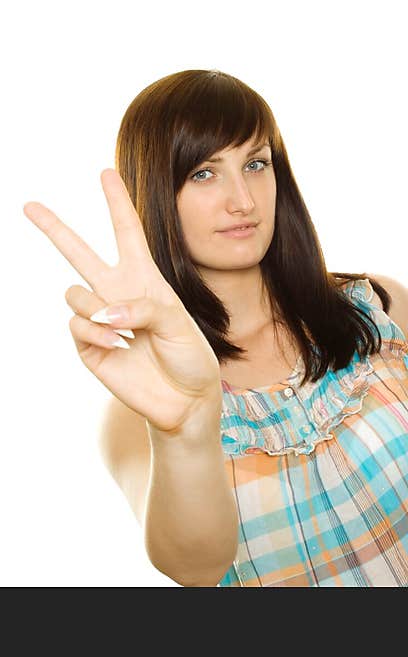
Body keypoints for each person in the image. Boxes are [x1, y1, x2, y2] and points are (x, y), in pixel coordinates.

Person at [23, 69, 408, 587]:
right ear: (156, 194)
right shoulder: (139, 410)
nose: (243, 200)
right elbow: (195, 567)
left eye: (255, 164)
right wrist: (185, 430)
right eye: (204, 173)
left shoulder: (378, 309)